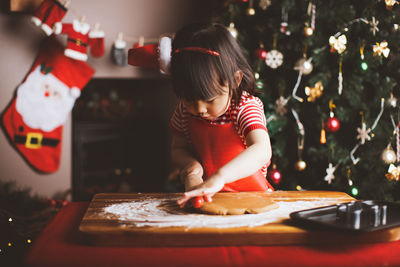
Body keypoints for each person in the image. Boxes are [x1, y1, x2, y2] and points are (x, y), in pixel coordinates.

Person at [169, 22, 273, 208]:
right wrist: (192, 171)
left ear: (235, 80)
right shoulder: (185, 110)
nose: (199, 109)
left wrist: (220, 177)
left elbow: (262, 150)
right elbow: (178, 149)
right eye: (189, 99)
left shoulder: (244, 107)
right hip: (210, 197)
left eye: (209, 100)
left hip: (253, 199)